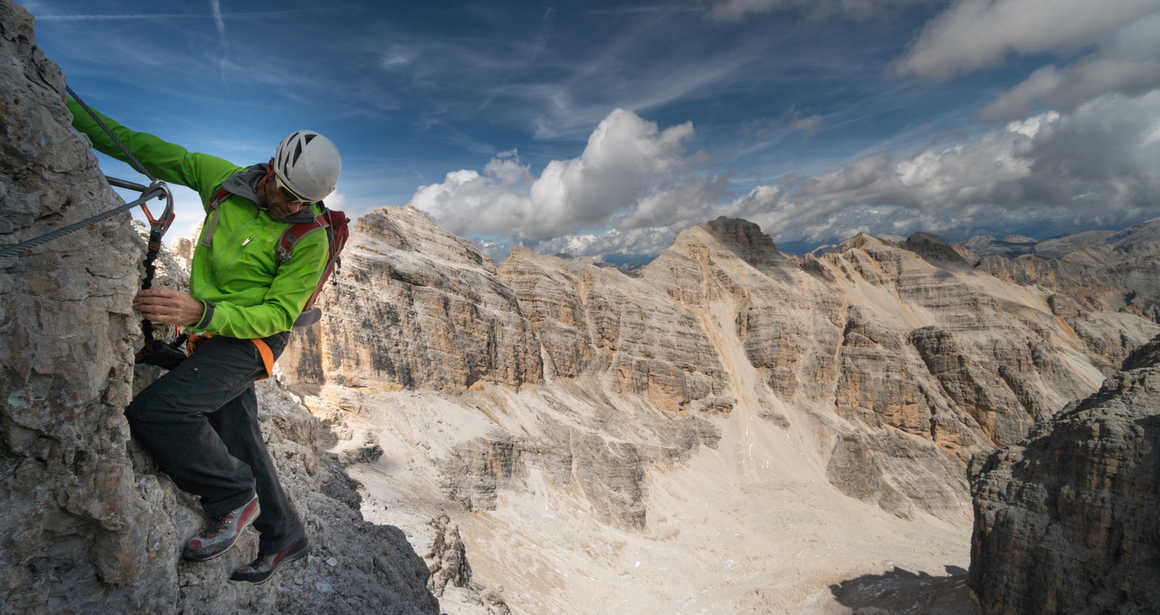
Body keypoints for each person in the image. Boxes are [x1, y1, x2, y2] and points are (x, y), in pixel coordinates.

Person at [67, 97, 341, 584]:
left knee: (160, 413)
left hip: (252, 338)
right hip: (210, 330)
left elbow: (280, 313)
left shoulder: (309, 236)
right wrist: (61, 101)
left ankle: (233, 496)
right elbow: (143, 148)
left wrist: (202, 311)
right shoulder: (223, 182)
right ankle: (284, 533)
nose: (292, 207)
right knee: (237, 431)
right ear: (272, 168)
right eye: (287, 194)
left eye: (303, 202)